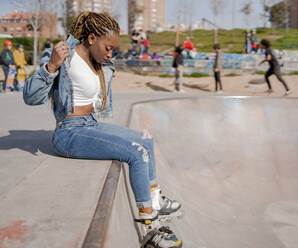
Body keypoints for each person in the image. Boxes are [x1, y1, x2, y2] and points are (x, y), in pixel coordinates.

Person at [23, 12, 182, 248]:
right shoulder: (63, 55)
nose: (110, 54)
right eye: (108, 48)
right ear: (91, 38)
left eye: (113, 50)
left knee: (146, 139)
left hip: (90, 123)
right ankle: (150, 227)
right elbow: (30, 97)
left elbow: (102, 76)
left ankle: (155, 200)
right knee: (136, 153)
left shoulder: (101, 62)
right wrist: (51, 66)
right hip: (69, 132)